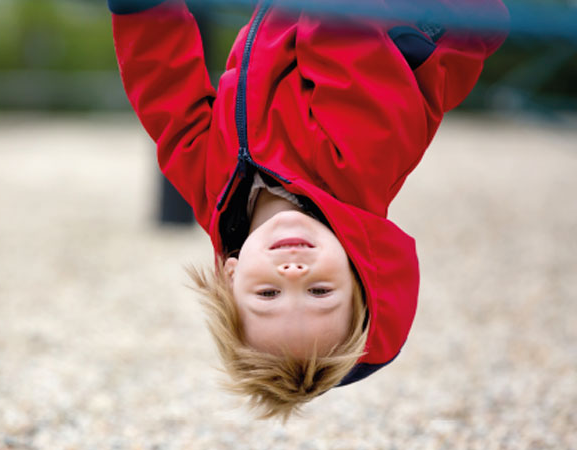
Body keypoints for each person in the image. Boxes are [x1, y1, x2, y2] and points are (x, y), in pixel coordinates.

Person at [109, 0, 508, 419]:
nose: (293, 274)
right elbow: (341, 33)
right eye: (320, 292)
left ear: (231, 275)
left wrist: (142, 12)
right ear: (356, 273)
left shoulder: (216, 192)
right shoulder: (356, 162)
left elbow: (168, 97)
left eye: (268, 294)